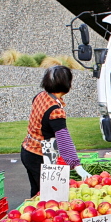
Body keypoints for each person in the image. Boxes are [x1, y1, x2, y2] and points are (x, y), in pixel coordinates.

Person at [20, 66, 88, 197]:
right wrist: (77, 166)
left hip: (27, 150)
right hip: (39, 157)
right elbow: (64, 140)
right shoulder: (55, 110)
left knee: (37, 193)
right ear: (67, 84)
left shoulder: (40, 96)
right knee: (49, 196)